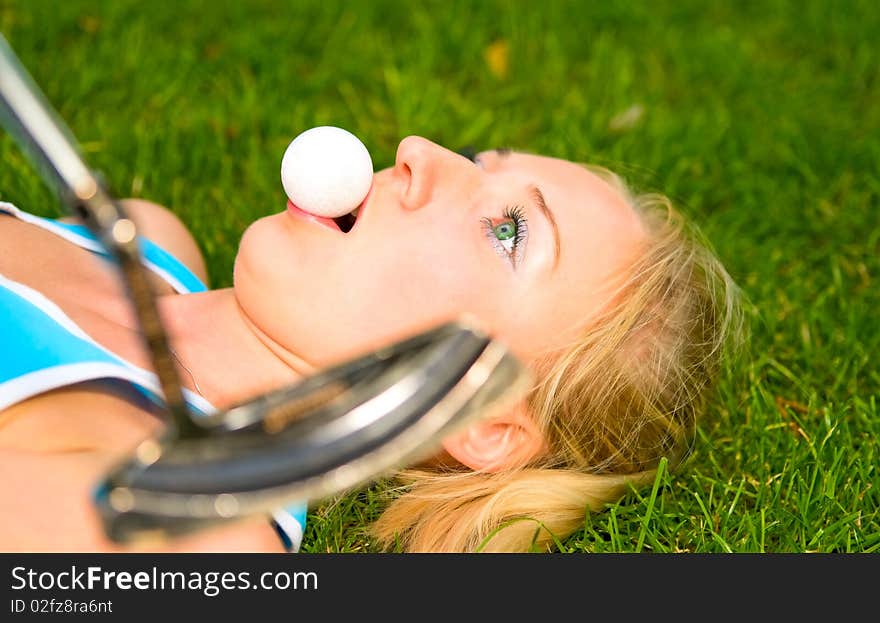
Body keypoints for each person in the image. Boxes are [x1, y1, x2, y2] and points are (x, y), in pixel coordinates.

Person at [0, 136, 746, 553]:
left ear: (481, 417)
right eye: (481, 158)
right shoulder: (150, 239)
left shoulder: (196, 538)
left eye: (509, 231)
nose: (419, 150)